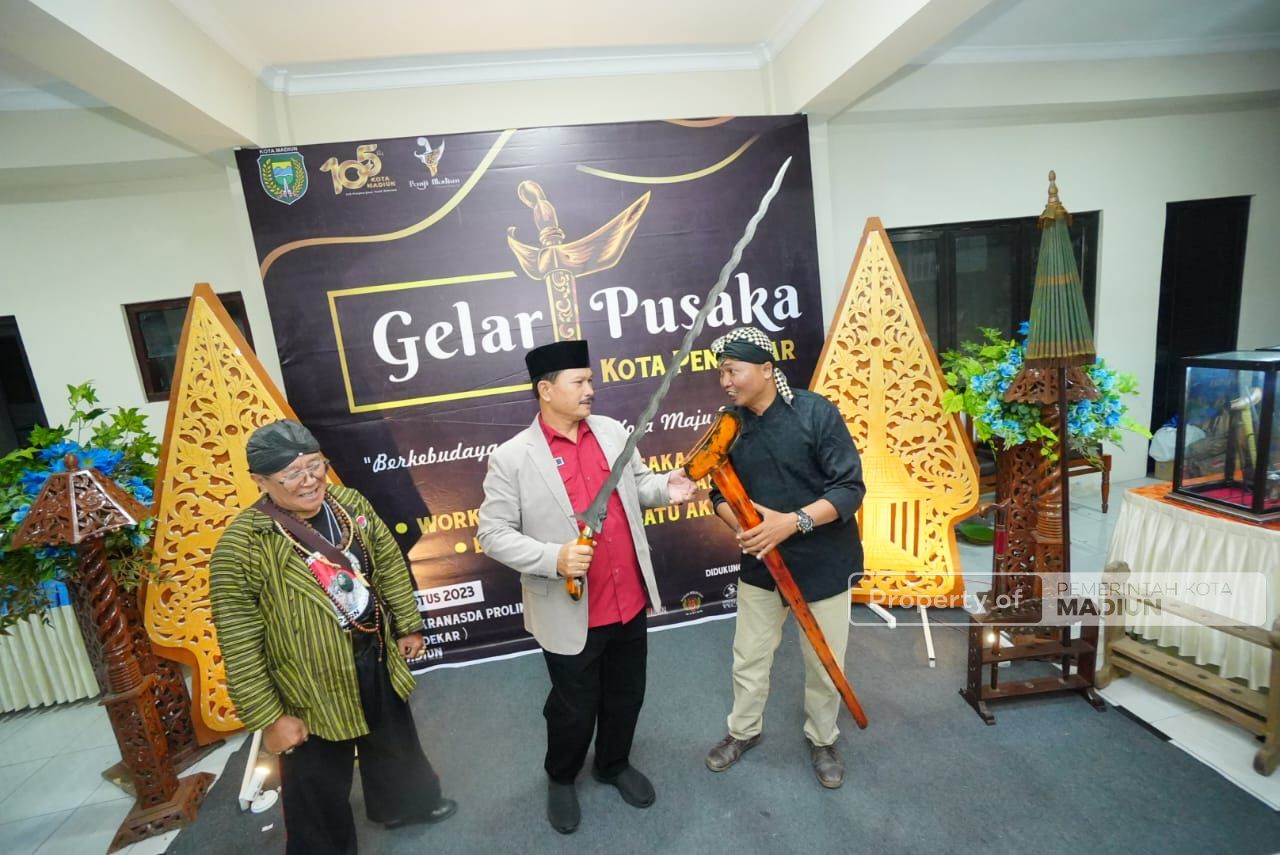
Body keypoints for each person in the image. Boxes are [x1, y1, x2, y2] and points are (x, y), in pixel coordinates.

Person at [477, 340, 696, 834]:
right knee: (573, 708)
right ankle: (561, 776)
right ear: (545, 390)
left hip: (628, 599)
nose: (590, 389)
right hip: (569, 607)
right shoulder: (512, 458)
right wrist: (553, 558)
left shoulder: (613, 431)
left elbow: (639, 485)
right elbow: (492, 534)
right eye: (579, 381)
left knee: (627, 695)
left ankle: (613, 764)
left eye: (591, 380)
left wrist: (667, 488)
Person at [210, 419, 455, 855]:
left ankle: (404, 805)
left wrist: (407, 623)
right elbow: (238, 640)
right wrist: (269, 717)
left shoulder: (349, 503)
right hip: (307, 683)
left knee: (393, 739)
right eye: (292, 474)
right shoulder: (242, 545)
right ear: (260, 481)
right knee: (316, 781)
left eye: (314, 465)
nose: (310, 481)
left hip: (373, 652)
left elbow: (388, 562)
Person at [701, 326, 866, 789]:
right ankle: (743, 731)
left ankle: (823, 738)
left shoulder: (815, 413)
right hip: (761, 564)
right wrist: (743, 527)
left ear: (766, 369)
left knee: (824, 662)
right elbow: (717, 492)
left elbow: (850, 489)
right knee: (749, 657)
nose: (725, 382)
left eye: (732, 371)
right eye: (721, 373)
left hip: (823, 560)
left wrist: (793, 522)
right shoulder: (728, 426)